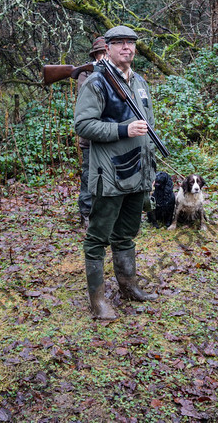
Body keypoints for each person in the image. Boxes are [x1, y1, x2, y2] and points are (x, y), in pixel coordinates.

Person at [74, 25, 158, 319]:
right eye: (120, 43)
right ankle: (98, 303)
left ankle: (128, 287)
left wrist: (150, 169)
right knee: (97, 237)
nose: (127, 48)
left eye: (131, 43)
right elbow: (83, 125)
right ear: (107, 48)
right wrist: (123, 128)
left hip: (137, 171)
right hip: (109, 173)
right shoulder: (96, 83)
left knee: (126, 234)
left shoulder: (140, 82)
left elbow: (148, 127)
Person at [77, 36, 107, 229]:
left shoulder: (117, 71)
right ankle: (86, 214)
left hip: (110, 135)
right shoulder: (85, 75)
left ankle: (105, 213)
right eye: (101, 53)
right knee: (89, 176)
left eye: (106, 52)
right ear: (95, 55)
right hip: (90, 137)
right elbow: (89, 98)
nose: (104, 56)